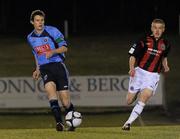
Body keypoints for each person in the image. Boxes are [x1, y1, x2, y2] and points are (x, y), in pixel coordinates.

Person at [27, 10, 76, 131]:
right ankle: (59, 123)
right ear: (32, 22)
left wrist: (53, 52)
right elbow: (36, 54)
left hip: (58, 66)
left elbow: (64, 48)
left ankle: (73, 121)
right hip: (45, 68)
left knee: (65, 102)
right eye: (37, 20)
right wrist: (37, 68)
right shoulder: (30, 37)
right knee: (51, 94)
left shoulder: (52, 31)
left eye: (42, 20)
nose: (40, 23)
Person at [122, 19, 171, 130]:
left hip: (153, 76)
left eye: (160, 28)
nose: (157, 30)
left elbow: (164, 57)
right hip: (139, 73)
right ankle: (136, 92)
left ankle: (128, 123)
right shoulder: (143, 40)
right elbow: (133, 56)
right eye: (155, 28)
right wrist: (131, 69)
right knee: (129, 101)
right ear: (151, 28)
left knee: (145, 97)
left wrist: (166, 65)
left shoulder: (166, 44)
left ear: (163, 29)